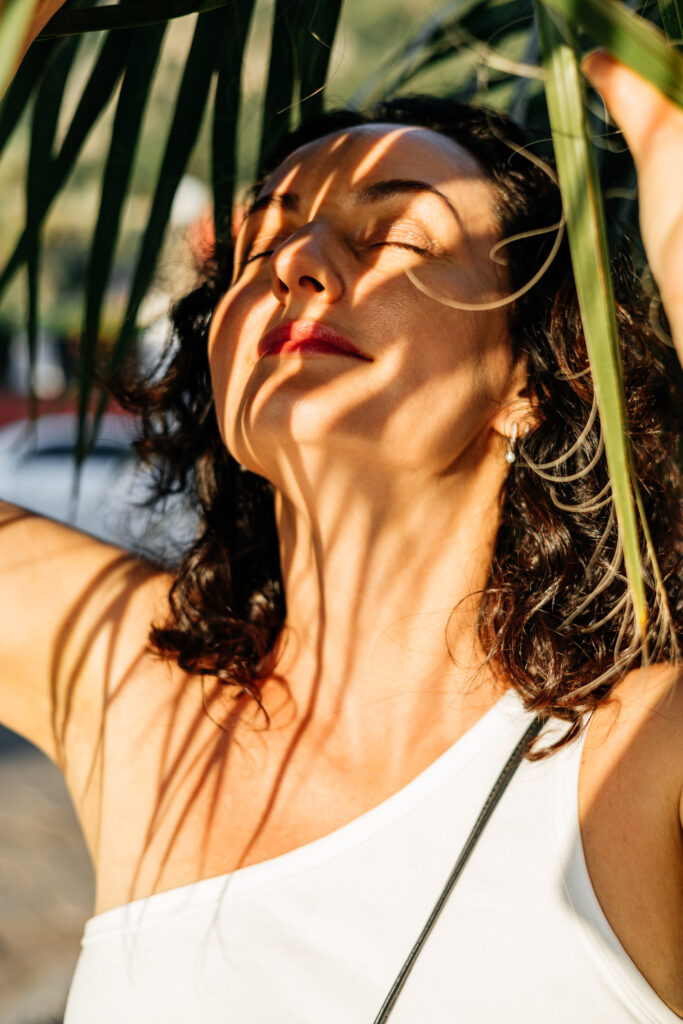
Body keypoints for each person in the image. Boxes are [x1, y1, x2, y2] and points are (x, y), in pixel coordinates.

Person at [1, 11, 682, 1019]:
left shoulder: (632, 759)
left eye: (397, 236)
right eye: (265, 239)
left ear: (530, 380)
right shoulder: (129, 686)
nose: (297, 265)